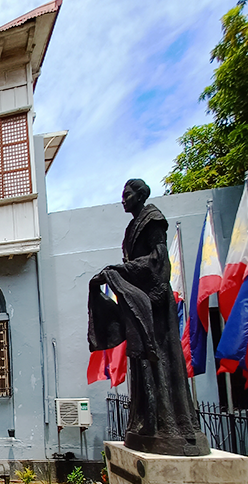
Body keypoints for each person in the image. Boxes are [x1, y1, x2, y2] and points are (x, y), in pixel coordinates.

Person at [88, 179, 210, 456]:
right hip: (139, 305)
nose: (123, 199)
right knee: (141, 363)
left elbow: (158, 261)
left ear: (140, 195)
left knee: (161, 357)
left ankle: (173, 425)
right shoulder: (132, 226)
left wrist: (121, 269)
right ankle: (146, 422)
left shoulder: (153, 220)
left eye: (127, 194)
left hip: (154, 303)